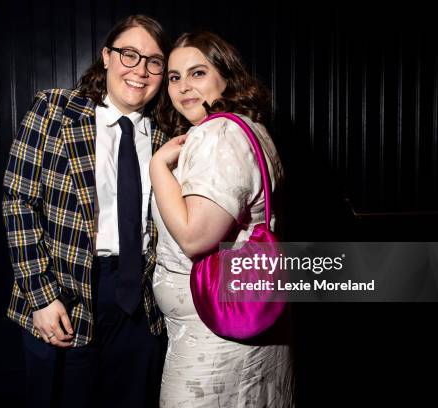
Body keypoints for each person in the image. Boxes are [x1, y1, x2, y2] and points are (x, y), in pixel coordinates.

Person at [2, 15, 170, 408]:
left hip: (140, 304)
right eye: (130, 55)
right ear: (106, 57)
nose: (141, 70)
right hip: (66, 295)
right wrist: (41, 297)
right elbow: (18, 201)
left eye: (154, 61)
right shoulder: (56, 110)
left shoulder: (167, 133)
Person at [150, 31, 294, 407]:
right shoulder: (249, 127)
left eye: (197, 73)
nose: (182, 88)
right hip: (237, 329)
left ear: (226, 76)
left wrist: (157, 170)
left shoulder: (218, 134)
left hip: (215, 341)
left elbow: (195, 237)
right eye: (174, 77)